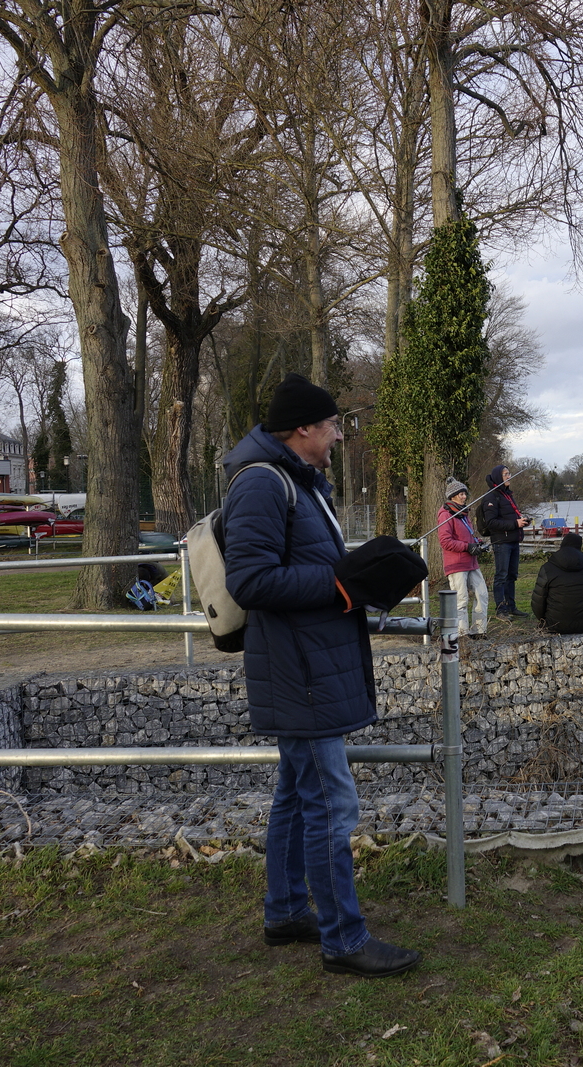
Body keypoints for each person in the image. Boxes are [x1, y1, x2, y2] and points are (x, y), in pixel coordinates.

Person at [222, 373, 421, 979]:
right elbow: (249, 581)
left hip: (308, 665)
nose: (338, 435)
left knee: (295, 794)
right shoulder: (262, 484)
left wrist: (354, 572)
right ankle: (344, 939)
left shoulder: (300, 483)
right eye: (334, 425)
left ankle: (284, 912)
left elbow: (305, 564)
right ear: (304, 428)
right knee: (332, 806)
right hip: (300, 673)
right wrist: (340, 582)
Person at [438, 477, 489, 640]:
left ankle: (479, 630)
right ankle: (461, 634)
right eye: (460, 494)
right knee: (461, 598)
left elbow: (468, 536)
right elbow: (445, 542)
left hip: (471, 563)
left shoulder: (464, 514)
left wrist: (477, 543)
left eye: (464, 493)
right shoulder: (445, 514)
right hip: (456, 564)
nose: (464, 497)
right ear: (452, 496)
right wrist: (467, 547)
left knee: (482, 593)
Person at [530, 531, 583, 634]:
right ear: (580, 547)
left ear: (562, 545)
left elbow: (538, 601)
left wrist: (543, 620)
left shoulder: (547, 568)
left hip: (555, 625)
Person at [479, 464, 528, 618]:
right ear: (498, 477)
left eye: (509, 473)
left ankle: (511, 606)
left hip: (513, 539)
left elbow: (510, 515)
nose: (509, 476)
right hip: (501, 542)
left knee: (512, 575)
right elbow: (491, 522)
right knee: (501, 575)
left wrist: (521, 521)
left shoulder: (508, 494)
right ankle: (501, 609)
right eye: (506, 474)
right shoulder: (491, 497)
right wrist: (515, 524)